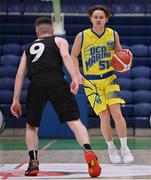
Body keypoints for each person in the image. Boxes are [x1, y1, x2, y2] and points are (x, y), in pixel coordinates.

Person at [10, 17, 101, 177]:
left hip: (36, 83)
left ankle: (33, 163)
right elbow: (66, 57)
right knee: (74, 121)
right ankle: (88, 150)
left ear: (37, 32)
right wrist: (74, 77)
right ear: (51, 31)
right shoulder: (59, 41)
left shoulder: (28, 48)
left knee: (32, 126)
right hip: (57, 81)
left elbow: (19, 74)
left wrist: (15, 100)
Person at [71, 5, 134, 164]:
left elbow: (119, 55)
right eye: (95, 17)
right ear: (91, 18)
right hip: (92, 82)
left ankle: (125, 148)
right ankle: (111, 147)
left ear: (106, 19)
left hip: (109, 78)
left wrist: (125, 61)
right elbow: (73, 55)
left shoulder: (113, 34)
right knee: (104, 116)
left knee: (117, 112)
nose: (98, 19)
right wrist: (77, 74)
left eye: (101, 17)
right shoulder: (82, 36)